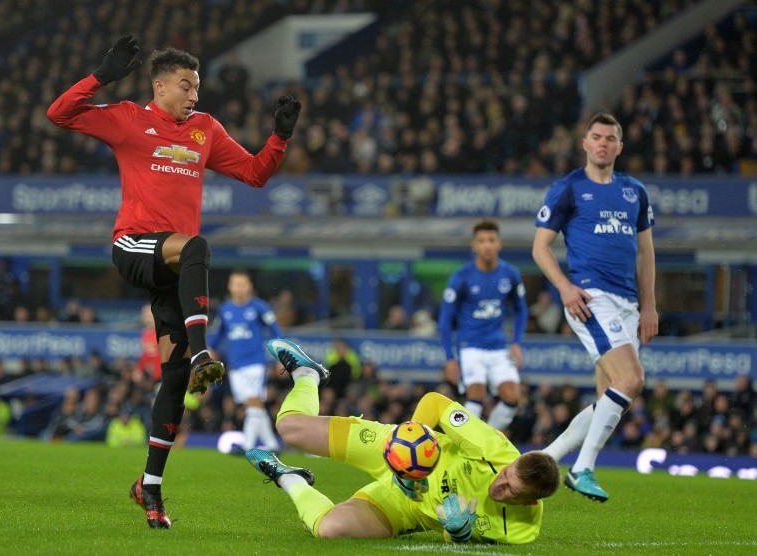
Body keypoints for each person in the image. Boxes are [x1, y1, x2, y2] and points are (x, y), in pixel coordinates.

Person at [47, 35, 301, 528]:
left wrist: (280, 138)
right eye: (186, 86)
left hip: (174, 269)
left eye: (198, 87)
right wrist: (100, 77)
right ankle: (205, 351)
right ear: (159, 86)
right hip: (135, 246)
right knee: (198, 246)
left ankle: (151, 487)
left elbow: (254, 173)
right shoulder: (126, 118)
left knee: (175, 377)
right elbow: (60, 113)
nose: (194, 95)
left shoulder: (204, 129)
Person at [247, 339, 559, 544]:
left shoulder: (521, 530)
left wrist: (460, 533)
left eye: (511, 491)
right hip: (395, 450)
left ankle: (290, 479)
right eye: (506, 475)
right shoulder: (494, 450)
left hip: (408, 507)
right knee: (290, 428)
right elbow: (436, 402)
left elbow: (465, 535)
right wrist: (410, 448)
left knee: (330, 529)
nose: (499, 485)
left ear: (529, 501)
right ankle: (307, 375)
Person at [532, 112, 658, 502]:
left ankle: (544, 458)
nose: (602, 143)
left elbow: (646, 252)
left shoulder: (634, 191)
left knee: (611, 396)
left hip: (628, 304)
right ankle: (582, 467)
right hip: (591, 299)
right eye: (596, 137)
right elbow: (539, 247)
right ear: (585, 143)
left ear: (620, 146)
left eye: (610, 138)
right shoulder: (568, 188)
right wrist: (566, 288)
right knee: (632, 379)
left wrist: (650, 305)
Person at [438, 219, 528, 432]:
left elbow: (521, 310)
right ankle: (465, 444)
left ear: (499, 244)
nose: (487, 245)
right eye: (481, 241)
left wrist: (516, 342)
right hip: (470, 346)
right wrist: (450, 357)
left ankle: (488, 439)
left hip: (498, 347)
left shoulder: (510, 274)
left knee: (513, 397)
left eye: (491, 240)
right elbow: (445, 318)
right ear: (474, 246)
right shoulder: (462, 276)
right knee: (476, 394)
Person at [208, 269, 284, 453]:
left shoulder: (260, 307)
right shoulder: (225, 310)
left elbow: (276, 330)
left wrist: (282, 356)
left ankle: (248, 445)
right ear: (230, 287)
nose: (239, 288)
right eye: (236, 284)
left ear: (250, 287)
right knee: (254, 405)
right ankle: (272, 444)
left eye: (243, 284)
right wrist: (210, 351)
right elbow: (216, 335)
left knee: (252, 402)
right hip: (235, 366)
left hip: (256, 363)